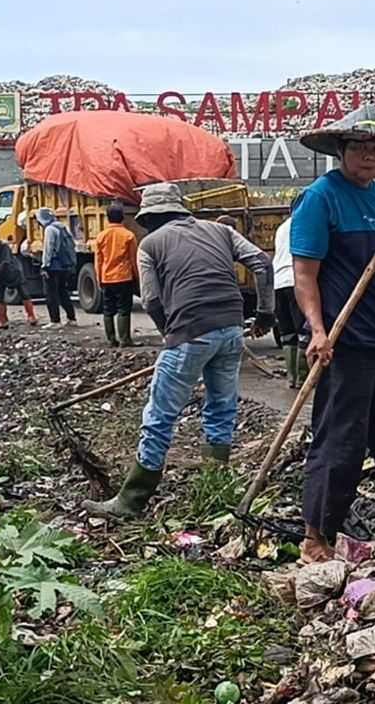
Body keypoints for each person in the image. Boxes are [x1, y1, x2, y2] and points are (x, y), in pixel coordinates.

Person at [83, 183, 275, 520]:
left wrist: (169, 334)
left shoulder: (151, 243)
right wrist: (265, 313)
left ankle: (131, 501)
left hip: (190, 331)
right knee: (221, 407)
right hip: (232, 331)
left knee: (159, 416)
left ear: (151, 217)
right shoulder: (220, 231)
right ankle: (214, 486)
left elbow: (153, 300)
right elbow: (262, 262)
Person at [290, 104, 375, 564]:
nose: (370, 156)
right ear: (341, 150)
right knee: (341, 440)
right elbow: (304, 274)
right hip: (345, 343)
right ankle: (317, 537)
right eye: (360, 147)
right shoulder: (321, 197)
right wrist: (316, 330)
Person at [272, 200, 310, 389]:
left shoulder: (281, 228)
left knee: (287, 333)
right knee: (303, 331)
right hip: (296, 281)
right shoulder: (306, 223)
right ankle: (303, 378)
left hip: (278, 282)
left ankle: (292, 378)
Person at [0, 227, 40, 329]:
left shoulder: (3, 246)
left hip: (12, 272)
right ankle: (2, 320)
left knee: (24, 293)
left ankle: (31, 316)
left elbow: (4, 263)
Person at [94, 204, 139, 348]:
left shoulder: (101, 236)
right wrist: (137, 277)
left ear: (108, 218)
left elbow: (98, 260)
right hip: (124, 277)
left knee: (108, 309)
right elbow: (133, 259)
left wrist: (99, 278)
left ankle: (111, 340)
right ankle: (125, 340)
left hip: (107, 277)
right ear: (122, 218)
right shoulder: (128, 235)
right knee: (123, 309)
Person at [36, 207, 78, 329]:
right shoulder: (62, 226)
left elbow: (48, 249)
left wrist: (44, 266)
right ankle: (71, 318)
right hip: (64, 265)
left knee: (50, 294)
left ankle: (55, 321)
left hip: (53, 266)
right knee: (63, 292)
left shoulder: (49, 229)